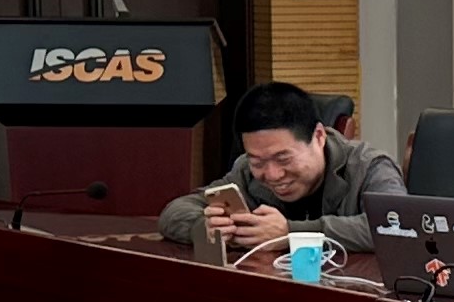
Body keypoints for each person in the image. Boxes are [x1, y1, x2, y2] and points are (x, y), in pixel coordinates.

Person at [158, 83, 407, 262]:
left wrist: (291, 232)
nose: (272, 175)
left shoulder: (369, 166)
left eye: (283, 158)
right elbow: (175, 211)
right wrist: (206, 229)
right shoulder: (246, 170)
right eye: (258, 161)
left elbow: (398, 227)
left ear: (319, 136)